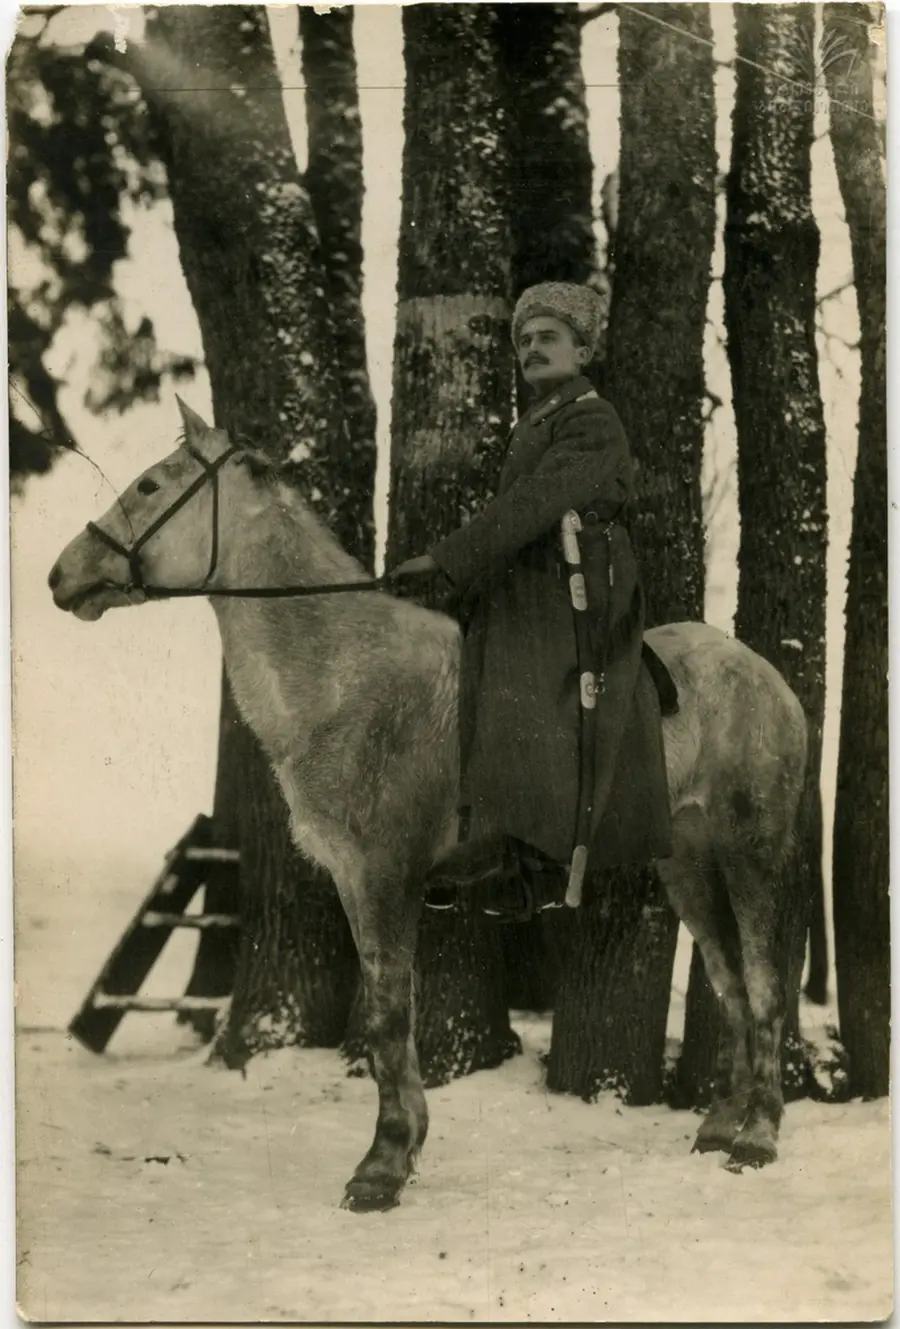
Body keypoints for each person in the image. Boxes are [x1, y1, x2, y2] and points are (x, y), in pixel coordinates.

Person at [390, 281, 672, 917]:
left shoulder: (592, 417)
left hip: (581, 582)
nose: (533, 348)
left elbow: (535, 503)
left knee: (536, 665)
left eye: (549, 337)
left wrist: (447, 557)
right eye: (525, 340)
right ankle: (497, 832)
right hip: (537, 577)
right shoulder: (539, 419)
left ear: (583, 347)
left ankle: (539, 861)